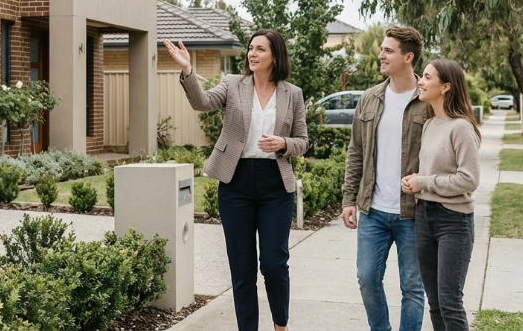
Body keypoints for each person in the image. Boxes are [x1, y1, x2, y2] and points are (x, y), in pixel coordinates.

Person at [166, 29, 308, 331]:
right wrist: (187, 70)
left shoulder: (292, 93)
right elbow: (202, 102)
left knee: (274, 264)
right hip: (236, 183)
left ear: (275, 56)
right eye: (250, 48)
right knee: (242, 269)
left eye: (260, 49)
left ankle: (280, 325)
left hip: (275, 185)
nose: (252, 54)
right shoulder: (233, 84)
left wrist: (284, 143)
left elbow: (303, 140)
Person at [341, 26, 427, 331]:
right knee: (367, 279)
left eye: (388, 50)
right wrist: (349, 199)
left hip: (413, 213)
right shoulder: (370, 99)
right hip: (373, 211)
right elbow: (356, 152)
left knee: (413, 288)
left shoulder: (428, 100)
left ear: (408, 57)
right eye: (382, 49)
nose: (380, 55)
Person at [401, 59, 481, 331]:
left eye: (426, 77)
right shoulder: (429, 124)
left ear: (446, 86)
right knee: (434, 302)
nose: (420, 81)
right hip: (425, 217)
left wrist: (424, 181)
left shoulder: (461, 127)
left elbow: (469, 179)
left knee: (449, 302)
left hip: (454, 221)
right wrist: (415, 183)